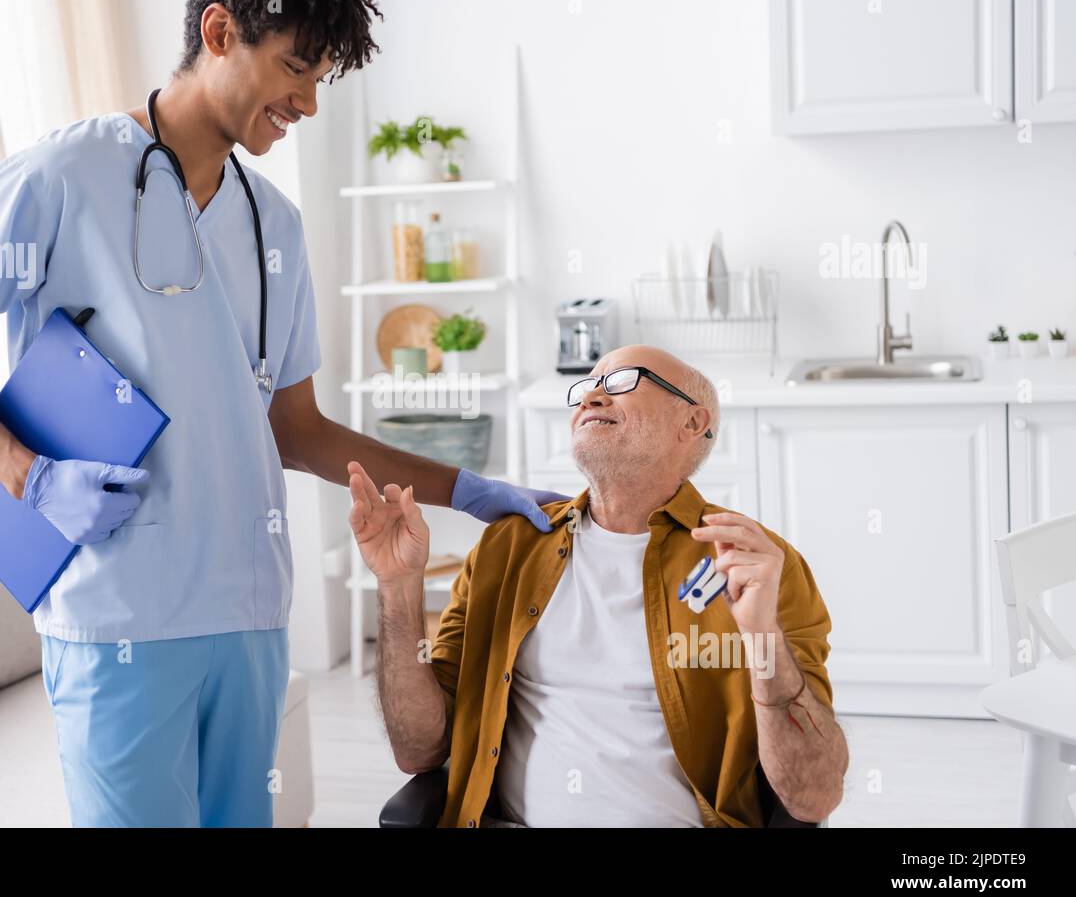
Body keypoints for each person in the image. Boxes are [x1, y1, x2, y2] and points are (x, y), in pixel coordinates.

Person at [0, 0, 562, 828]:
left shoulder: (271, 223)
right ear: (217, 34)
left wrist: (468, 489)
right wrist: (28, 478)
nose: (309, 105)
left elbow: (300, 429)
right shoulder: (60, 176)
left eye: (320, 82)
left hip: (248, 617)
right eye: (296, 70)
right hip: (115, 615)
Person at [350, 345, 849, 827]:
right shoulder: (508, 548)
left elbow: (813, 797)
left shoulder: (753, 562)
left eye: (622, 382)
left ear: (692, 422)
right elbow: (418, 750)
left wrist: (763, 637)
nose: (591, 396)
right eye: (587, 386)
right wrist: (398, 587)